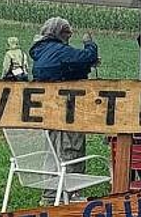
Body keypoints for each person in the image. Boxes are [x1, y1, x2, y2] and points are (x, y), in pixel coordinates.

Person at [29, 16, 99, 205]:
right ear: (61, 33)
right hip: (69, 107)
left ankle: (50, 193)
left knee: (52, 148)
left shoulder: (41, 50)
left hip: (47, 108)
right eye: (68, 33)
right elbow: (87, 57)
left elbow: (61, 69)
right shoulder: (59, 50)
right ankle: (72, 192)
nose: (69, 37)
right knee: (72, 147)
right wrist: (89, 44)